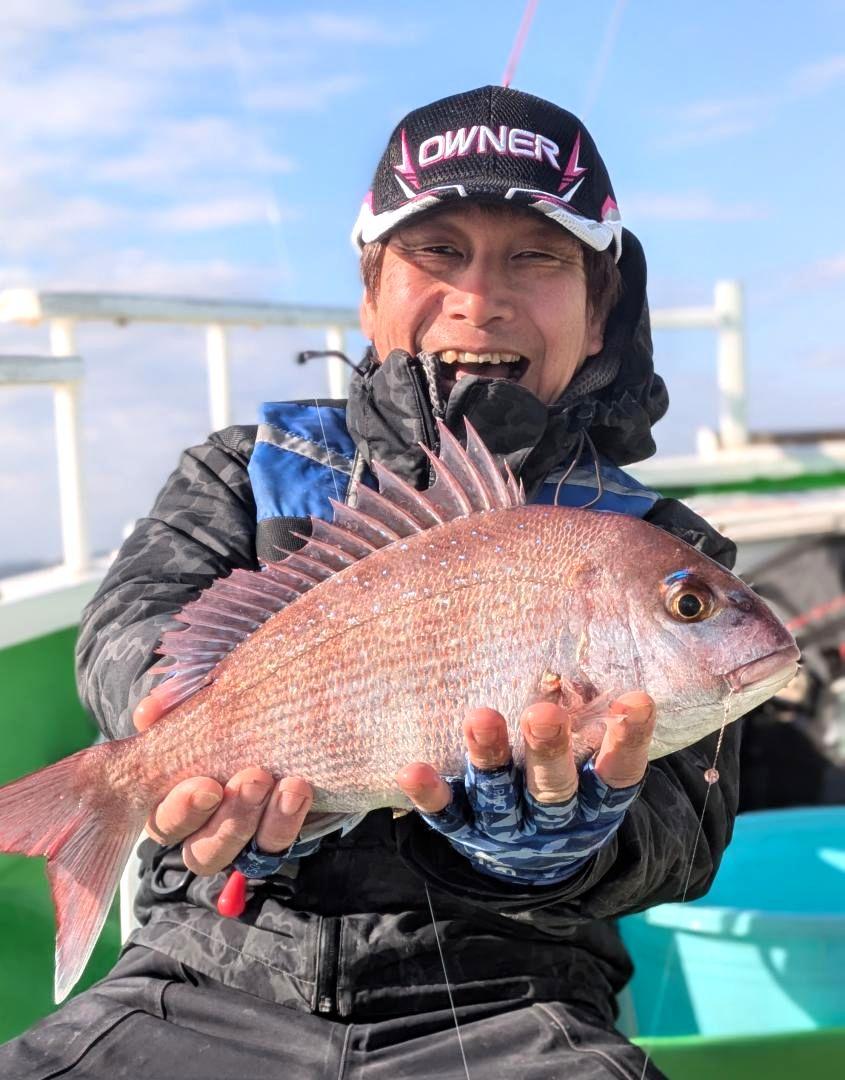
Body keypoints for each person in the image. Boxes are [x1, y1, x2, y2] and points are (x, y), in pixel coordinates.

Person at [1, 85, 739, 1078]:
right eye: (436, 252)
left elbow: (682, 833)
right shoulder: (243, 469)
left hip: (513, 1002)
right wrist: (175, 724)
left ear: (600, 312)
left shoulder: (657, 544)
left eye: (536, 256)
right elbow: (131, 620)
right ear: (368, 289)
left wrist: (559, 846)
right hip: (204, 973)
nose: (481, 298)